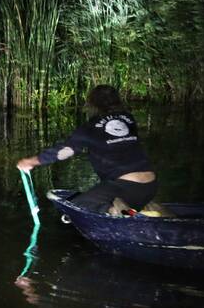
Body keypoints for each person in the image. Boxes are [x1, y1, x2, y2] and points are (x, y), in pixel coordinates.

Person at [16, 84, 157, 215]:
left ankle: (114, 208)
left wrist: (31, 161)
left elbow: (65, 151)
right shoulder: (128, 119)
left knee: (78, 207)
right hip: (150, 185)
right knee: (127, 195)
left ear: (93, 104)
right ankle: (145, 207)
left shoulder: (90, 128)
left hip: (124, 187)